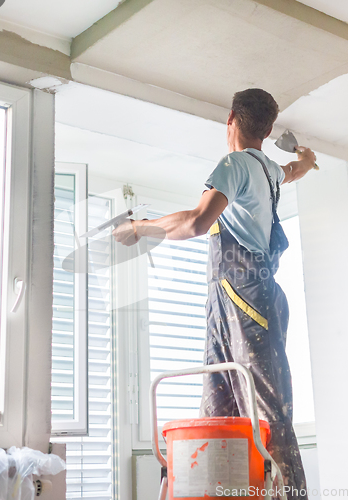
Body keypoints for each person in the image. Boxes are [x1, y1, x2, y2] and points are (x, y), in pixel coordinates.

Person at [113, 88, 316, 499]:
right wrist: (306, 161)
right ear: (269, 129)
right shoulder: (268, 171)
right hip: (239, 299)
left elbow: (196, 222)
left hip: (245, 299)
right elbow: (292, 171)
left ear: (231, 119)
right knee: (220, 406)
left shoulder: (235, 164)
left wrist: (139, 228)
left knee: (267, 414)